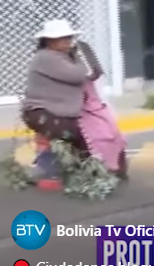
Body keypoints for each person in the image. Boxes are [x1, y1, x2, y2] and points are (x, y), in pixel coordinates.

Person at [22, 20, 128, 183]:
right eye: (62, 38)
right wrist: (78, 58)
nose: (68, 41)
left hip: (55, 110)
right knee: (79, 134)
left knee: (100, 130)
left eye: (69, 37)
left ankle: (76, 168)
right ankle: (60, 170)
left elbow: (82, 77)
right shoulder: (46, 57)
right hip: (42, 112)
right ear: (49, 41)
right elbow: (77, 75)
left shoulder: (60, 57)